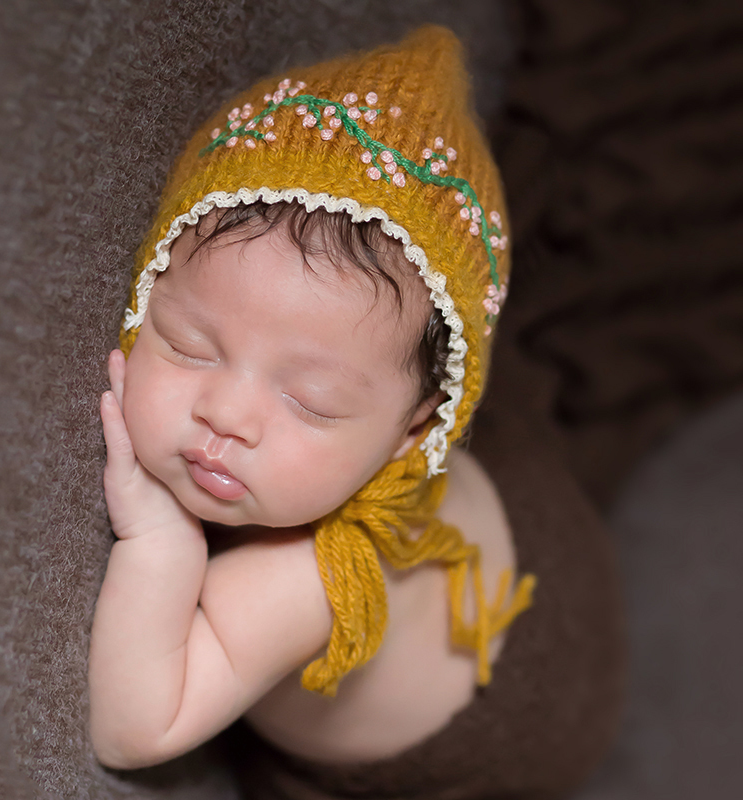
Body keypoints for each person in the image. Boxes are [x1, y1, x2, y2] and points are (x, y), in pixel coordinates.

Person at [87, 25, 617, 797]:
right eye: (190, 344)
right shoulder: (353, 411)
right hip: (517, 512)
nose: (227, 414)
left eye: (309, 401)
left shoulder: (297, 582)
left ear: (413, 434)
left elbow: (132, 730)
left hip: (519, 712)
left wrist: (158, 541)